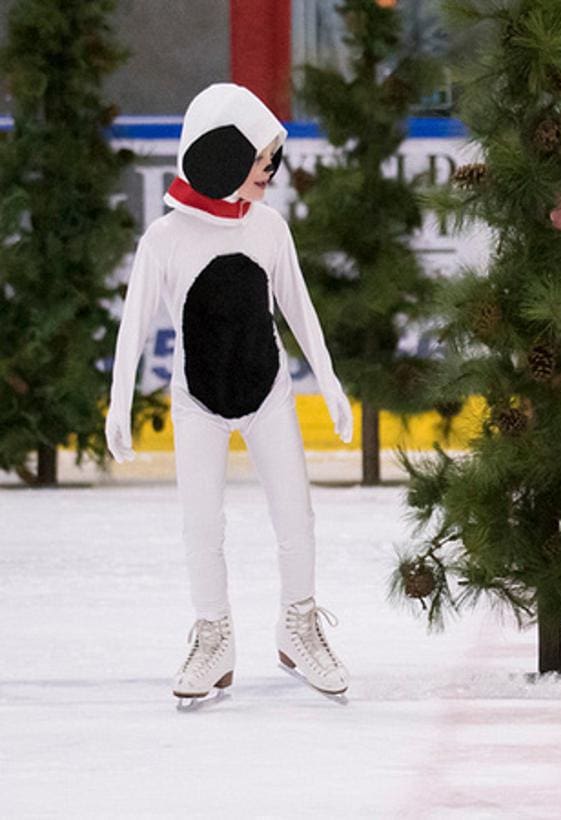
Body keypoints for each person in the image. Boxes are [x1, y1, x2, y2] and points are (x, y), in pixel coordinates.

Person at [105, 83, 355, 704]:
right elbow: (133, 327)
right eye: (262, 157)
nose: (273, 169)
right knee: (200, 527)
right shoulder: (164, 240)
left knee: (297, 516)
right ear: (223, 154)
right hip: (196, 402)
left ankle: (298, 627)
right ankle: (213, 636)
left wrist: (330, 385)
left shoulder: (269, 229)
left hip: (268, 394)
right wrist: (118, 403)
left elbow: (300, 311)